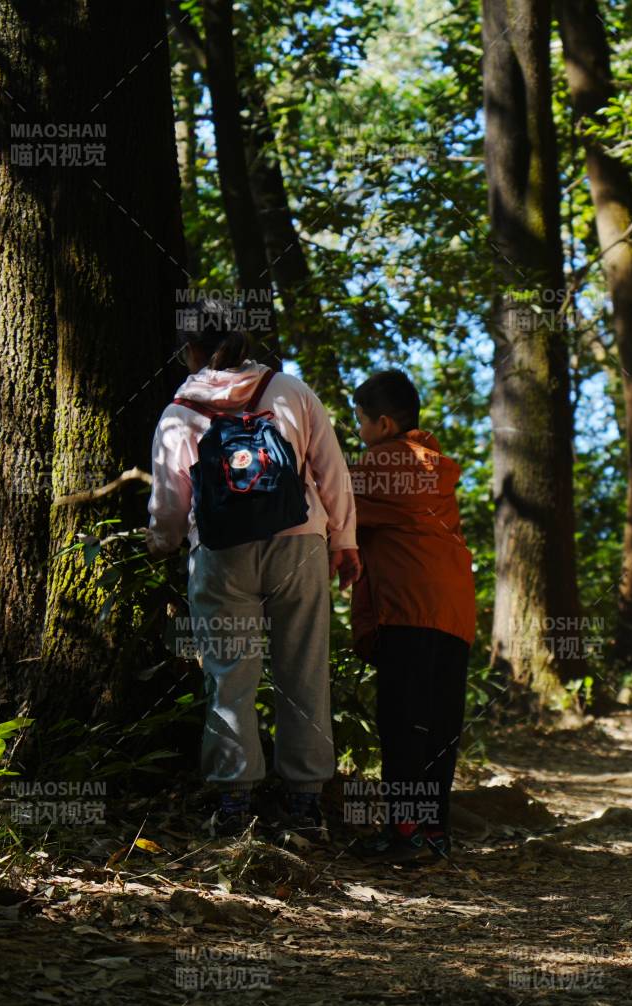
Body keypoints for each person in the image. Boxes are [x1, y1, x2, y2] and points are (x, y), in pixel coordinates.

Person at [146, 299, 361, 844]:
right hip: (299, 545)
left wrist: (164, 544)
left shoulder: (178, 411)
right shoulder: (290, 391)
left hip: (220, 556)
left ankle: (235, 807)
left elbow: (170, 505)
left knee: (229, 678)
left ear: (189, 348)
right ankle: (305, 808)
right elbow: (332, 472)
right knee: (303, 674)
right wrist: (345, 539)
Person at [343, 369, 476, 864]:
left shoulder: (382, 462)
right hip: (455, 612)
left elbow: (333, 505)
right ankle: (434, 833)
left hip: (409, 608)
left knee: (402, 724)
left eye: (359, 421)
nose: (358, 433)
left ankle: (404, 835)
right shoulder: (435, 467)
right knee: (439, 727)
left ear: (381, 422)